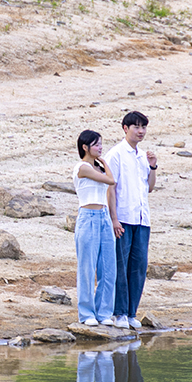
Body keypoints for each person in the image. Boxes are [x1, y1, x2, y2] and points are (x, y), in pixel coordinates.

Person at [104, 110, 157, 329]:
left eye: (143, 127)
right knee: (120, 265)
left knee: (138, 266)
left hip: (142, 219)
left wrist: (153, 166)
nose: (141, 131)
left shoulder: (142, 156)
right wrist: (114, 219)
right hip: (123, 218)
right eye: (136, 127)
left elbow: (149, 187)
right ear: (125, 128)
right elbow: (110, 188)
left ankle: (131, 312)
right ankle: (119, 313)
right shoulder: (115, 154)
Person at [72, 128, 118, 327]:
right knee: (87, 268)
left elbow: (110, 185)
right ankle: (86, 313)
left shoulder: (97, 169)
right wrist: (105, 163)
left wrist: (102, 164)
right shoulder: (82, 168)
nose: (100, 147)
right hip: (88, 217)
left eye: (101, 144)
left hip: (104, 217)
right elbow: (111, 180)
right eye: (96, 144)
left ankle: (104, 312)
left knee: (108, 267)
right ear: (85, 147)